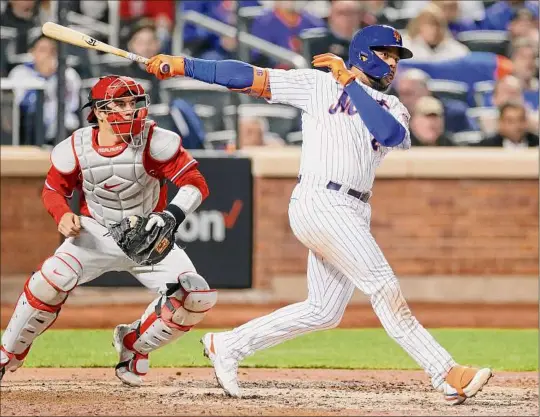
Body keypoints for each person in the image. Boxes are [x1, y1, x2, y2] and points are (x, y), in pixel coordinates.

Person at [146, 24, 492, 403]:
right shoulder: (318, 85)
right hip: (320, 201)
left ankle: (228, 344)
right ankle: (446, 373)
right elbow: (247, 75)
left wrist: (351, 84)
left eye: (395, 57)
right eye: (385, 54)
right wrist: (181, 64)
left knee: (324, 310)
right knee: (383, 286)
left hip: (354, 208)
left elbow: (390, 136)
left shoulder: (392, 107)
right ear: (362, 52)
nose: (392, 63)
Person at [0, 75, 218, 385]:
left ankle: (134, 345)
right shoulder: (76, 146)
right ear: (100, 111)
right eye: (120, 104)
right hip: (95, 233)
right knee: (50, 280)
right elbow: (52, 190)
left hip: (149, 236)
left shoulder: (155, 140)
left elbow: (196, 184)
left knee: (195, 296)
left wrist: (170, 216)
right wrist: (62, 214)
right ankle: (8, 354)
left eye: (134, 103)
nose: (130, 110)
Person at [8, 32, 81, 145]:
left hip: (61, 126)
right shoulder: (20, 72)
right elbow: (23, 105)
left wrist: (55, 75)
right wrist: (44, 76)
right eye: (42, 50)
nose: (48, 55)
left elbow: (73, 105)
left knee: (69, 122)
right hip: (30, 126)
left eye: (52, 51)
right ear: (32, 52)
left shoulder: (68, 73)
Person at [403, 3, 470, 62]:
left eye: (438, 24)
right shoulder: (406, 46)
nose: (435, 29)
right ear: (419, 26)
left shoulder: (457, 49)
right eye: (429, 24)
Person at [474, 101, 539, 148]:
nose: (517, 125)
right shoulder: (486, 146)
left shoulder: (537, 142)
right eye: (510, 121)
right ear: (501, 123)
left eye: (521, 120)